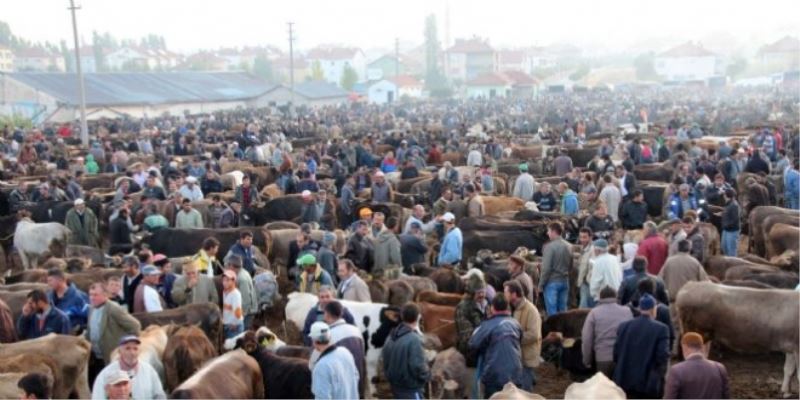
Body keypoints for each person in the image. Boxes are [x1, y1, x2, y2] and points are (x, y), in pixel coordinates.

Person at [84, 281, 141, 386]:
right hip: (97, 356)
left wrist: (125, 346)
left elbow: (135, 326)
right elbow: (90, 330)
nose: (92, 298)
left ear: (105, 295)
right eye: (90, 295)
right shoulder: (91, 308)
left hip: (112, 356)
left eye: (95, 295)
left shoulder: (113, 308)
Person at [613, 294, 670, 399]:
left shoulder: (623, 326)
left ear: (640, 308)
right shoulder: (662, 329)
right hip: (647, 385)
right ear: (654, 309)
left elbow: (616, 353)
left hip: (624, 381)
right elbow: (662, 356)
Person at [469, 295, 523, 398]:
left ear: (492, 307)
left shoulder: (487, 325)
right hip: (515, 373)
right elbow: (520, 340)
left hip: (494, 376)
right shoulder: (516, 324)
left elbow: (473, 343)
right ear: (507, 307)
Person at [91, 335, 166, 400]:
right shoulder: (105, 374)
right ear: (119, 351)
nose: (132, 353)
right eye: (127, 348)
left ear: (139, 351)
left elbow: (159, 395)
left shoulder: (149, 370)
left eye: (135, 349)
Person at [382, 303, 431, 400]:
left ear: (402, 316)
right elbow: (418, 366)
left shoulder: (391, 336)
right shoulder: (414, 340)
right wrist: (428, 375)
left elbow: (385, 360)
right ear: (417, 318)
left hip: (395, 387)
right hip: (410, 390)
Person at [582, 286, 633, 378]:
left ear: (600, 298)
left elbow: (586, 339)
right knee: (620, 391)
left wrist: (587, 360)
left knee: (604, 390)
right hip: (622, 359)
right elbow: (632, 335)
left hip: (602, 358)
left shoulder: (594, 313)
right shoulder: (627, 311)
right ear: (616, 296)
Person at [320, 301, 367, 397]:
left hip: (340, 385)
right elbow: (363, 355)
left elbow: (315, 363)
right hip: (358, 380)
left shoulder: (327, 336)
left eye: (324, 313)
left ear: (327, 315)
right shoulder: (356, 330)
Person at [664, 332, 730, 399]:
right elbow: (726, 396)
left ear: (684, 346)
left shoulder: (676, 370)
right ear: (702, 347)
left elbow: (670, 397)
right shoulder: (719, 368)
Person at [504, 280, 541, 391]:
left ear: (514, 294)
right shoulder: (511, 308)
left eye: (506, 292)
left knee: (525, 391)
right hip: (517, 357)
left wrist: (513, 339)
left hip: (526, 359)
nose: (504, 295)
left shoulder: (531, 311)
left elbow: (534, 335)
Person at [309, 321, 360, 400]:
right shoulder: (345, 352)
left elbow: (322, 397)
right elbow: (356, 377)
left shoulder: (321, 367)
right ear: (330, 337)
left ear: (314, 342)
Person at [455, 273, 488, 367]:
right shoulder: (463, 308)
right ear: (471, 293)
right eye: (478, 292)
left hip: (484, 349)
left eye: (483, 291)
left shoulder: (486, 304)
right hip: (470, 354)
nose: (482, 295)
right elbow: (467, 337)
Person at [539, 222, 572, 316]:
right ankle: (564, 330)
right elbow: (571, 265)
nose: (547, 233)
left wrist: (541, 285)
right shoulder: (569, 246)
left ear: (554, 232)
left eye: (548, 231)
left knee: (552, 312)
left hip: (551, 282)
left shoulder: (549, 247)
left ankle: (553, 330)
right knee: (563, 310)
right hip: (565, 281)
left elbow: (546, 268)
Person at [576, 227, 596, 308]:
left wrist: (588, 280)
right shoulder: (584, 249)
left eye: (585, 237)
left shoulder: (593, 250)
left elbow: (593, 266)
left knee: (583, 307)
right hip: (584, 283)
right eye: (580, 237)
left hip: (588, 284)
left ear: (590, 237)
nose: (582, 240)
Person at [221, 269, 244, 339]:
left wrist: (235, 324)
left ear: (233, 281)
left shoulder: (235, 294)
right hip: (227, 325)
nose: (224, 283)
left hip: (234, 328)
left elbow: (238, 312)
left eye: (227, 280)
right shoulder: (224, 292)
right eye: (223, 280)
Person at [720, 189, 740, 256]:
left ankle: (733, 263)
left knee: (731, 250)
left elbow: (735, 219)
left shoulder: (734, 205)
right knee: (724, 247)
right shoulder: (728, 204)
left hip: (732, 230)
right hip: (726, 229)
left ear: (726, 195)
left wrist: (727, 225)